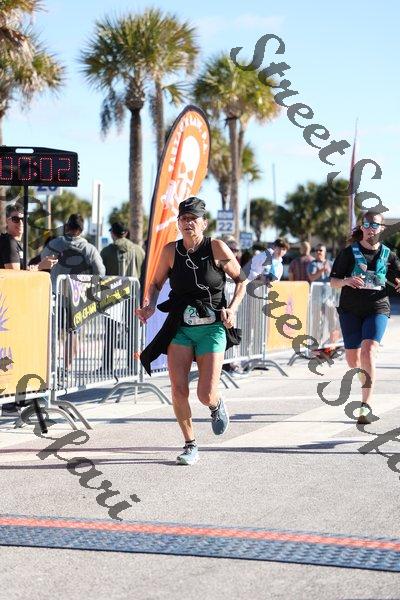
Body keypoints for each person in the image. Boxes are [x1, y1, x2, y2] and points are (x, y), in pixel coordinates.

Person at [136, 197, 246, 466]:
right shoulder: (170, 251)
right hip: (181, 328)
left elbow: (241, 281)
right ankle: (190, 444)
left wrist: (232, 309)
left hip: (212, 328)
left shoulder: (216, 247)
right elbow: (156, 283)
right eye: (183, 219)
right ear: (178, 223)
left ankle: (215, 404)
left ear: (204, 223)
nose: (188, 223)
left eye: (193, 219)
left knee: (205, 393)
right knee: (178, 389)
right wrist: (149, 305)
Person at [330, 211, 400, 424]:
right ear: (362, 227)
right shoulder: (348, 253)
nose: (371, 228)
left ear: (382, 229)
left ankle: (365, 405)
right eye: (367, 224)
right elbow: (333, 281)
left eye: (375, 225)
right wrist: (346, 281)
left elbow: (397, 279)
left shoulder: (389, 255)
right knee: (353, 361)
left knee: (368, 350)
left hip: (377, 308)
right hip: (350, 310)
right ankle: (365, 378)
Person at [100, 222, 145, 375]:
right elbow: (144, 273)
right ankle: (132, 365)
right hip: (133, 296)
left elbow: (101, 273)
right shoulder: (138, 250)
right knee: (133, 331)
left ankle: (107, 366)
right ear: (125, 233)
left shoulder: (106, 251)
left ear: (113, 233)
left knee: (110, 331)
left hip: (112, 296)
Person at [0, 204, 58, 271]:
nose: (21, 223)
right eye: (15, 219)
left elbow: (22, 270)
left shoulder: (15, 243)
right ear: (7, 221)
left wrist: (40, 265)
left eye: (23, 219)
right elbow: (15, 274)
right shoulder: (9, 242)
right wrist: (40, 266)